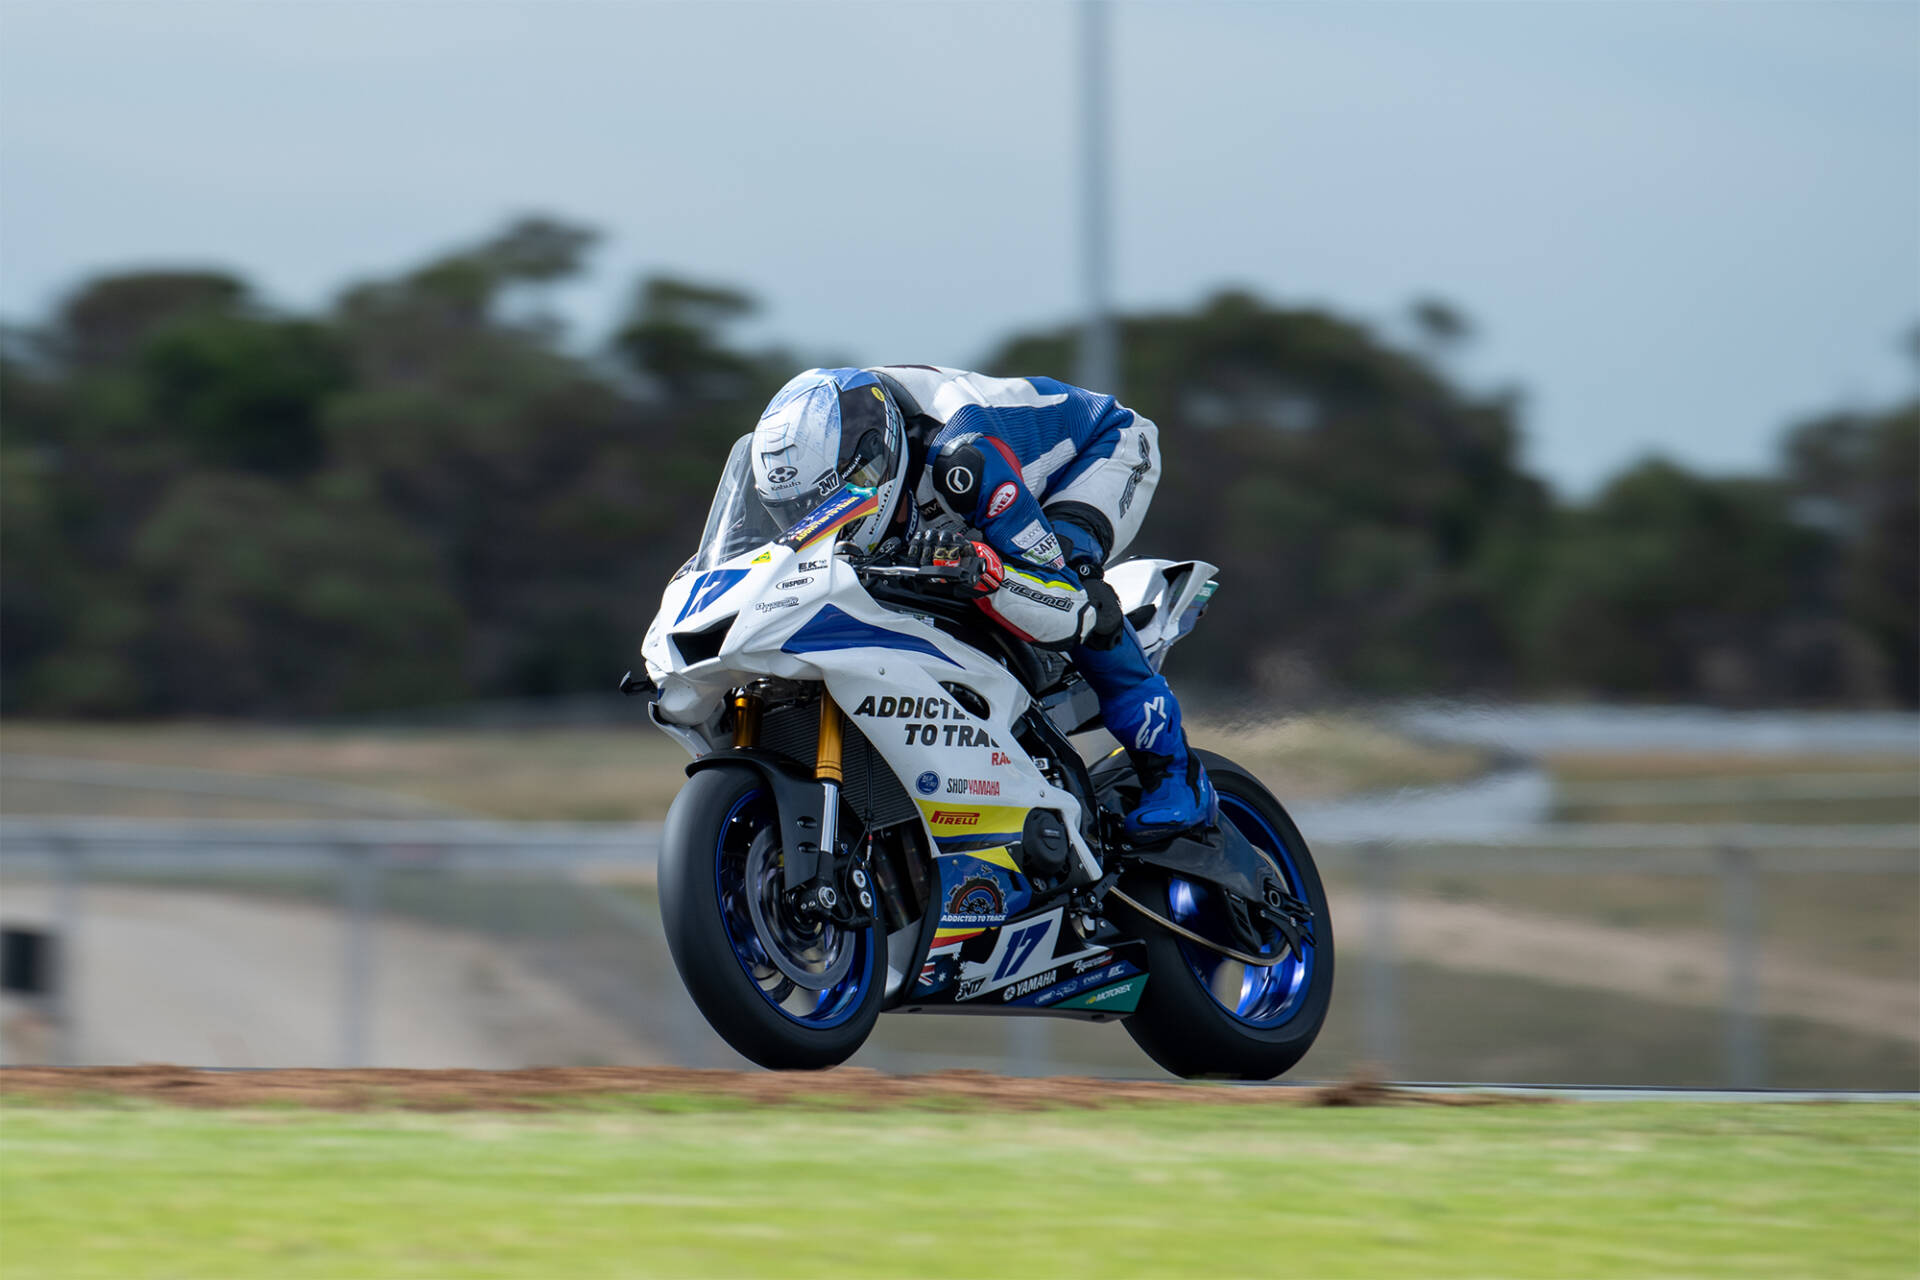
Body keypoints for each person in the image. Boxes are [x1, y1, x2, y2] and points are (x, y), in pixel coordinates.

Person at [749, 365, 1216, 840]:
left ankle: (1175, 775)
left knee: (1081, 598)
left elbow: (1061, 601)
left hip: (1098, 451)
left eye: (824, 503)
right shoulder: (840, 448)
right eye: (796, 511)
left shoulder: (963, 458)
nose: (815, 520)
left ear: (872, 462)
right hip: (974, 493)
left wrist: (991, 573)